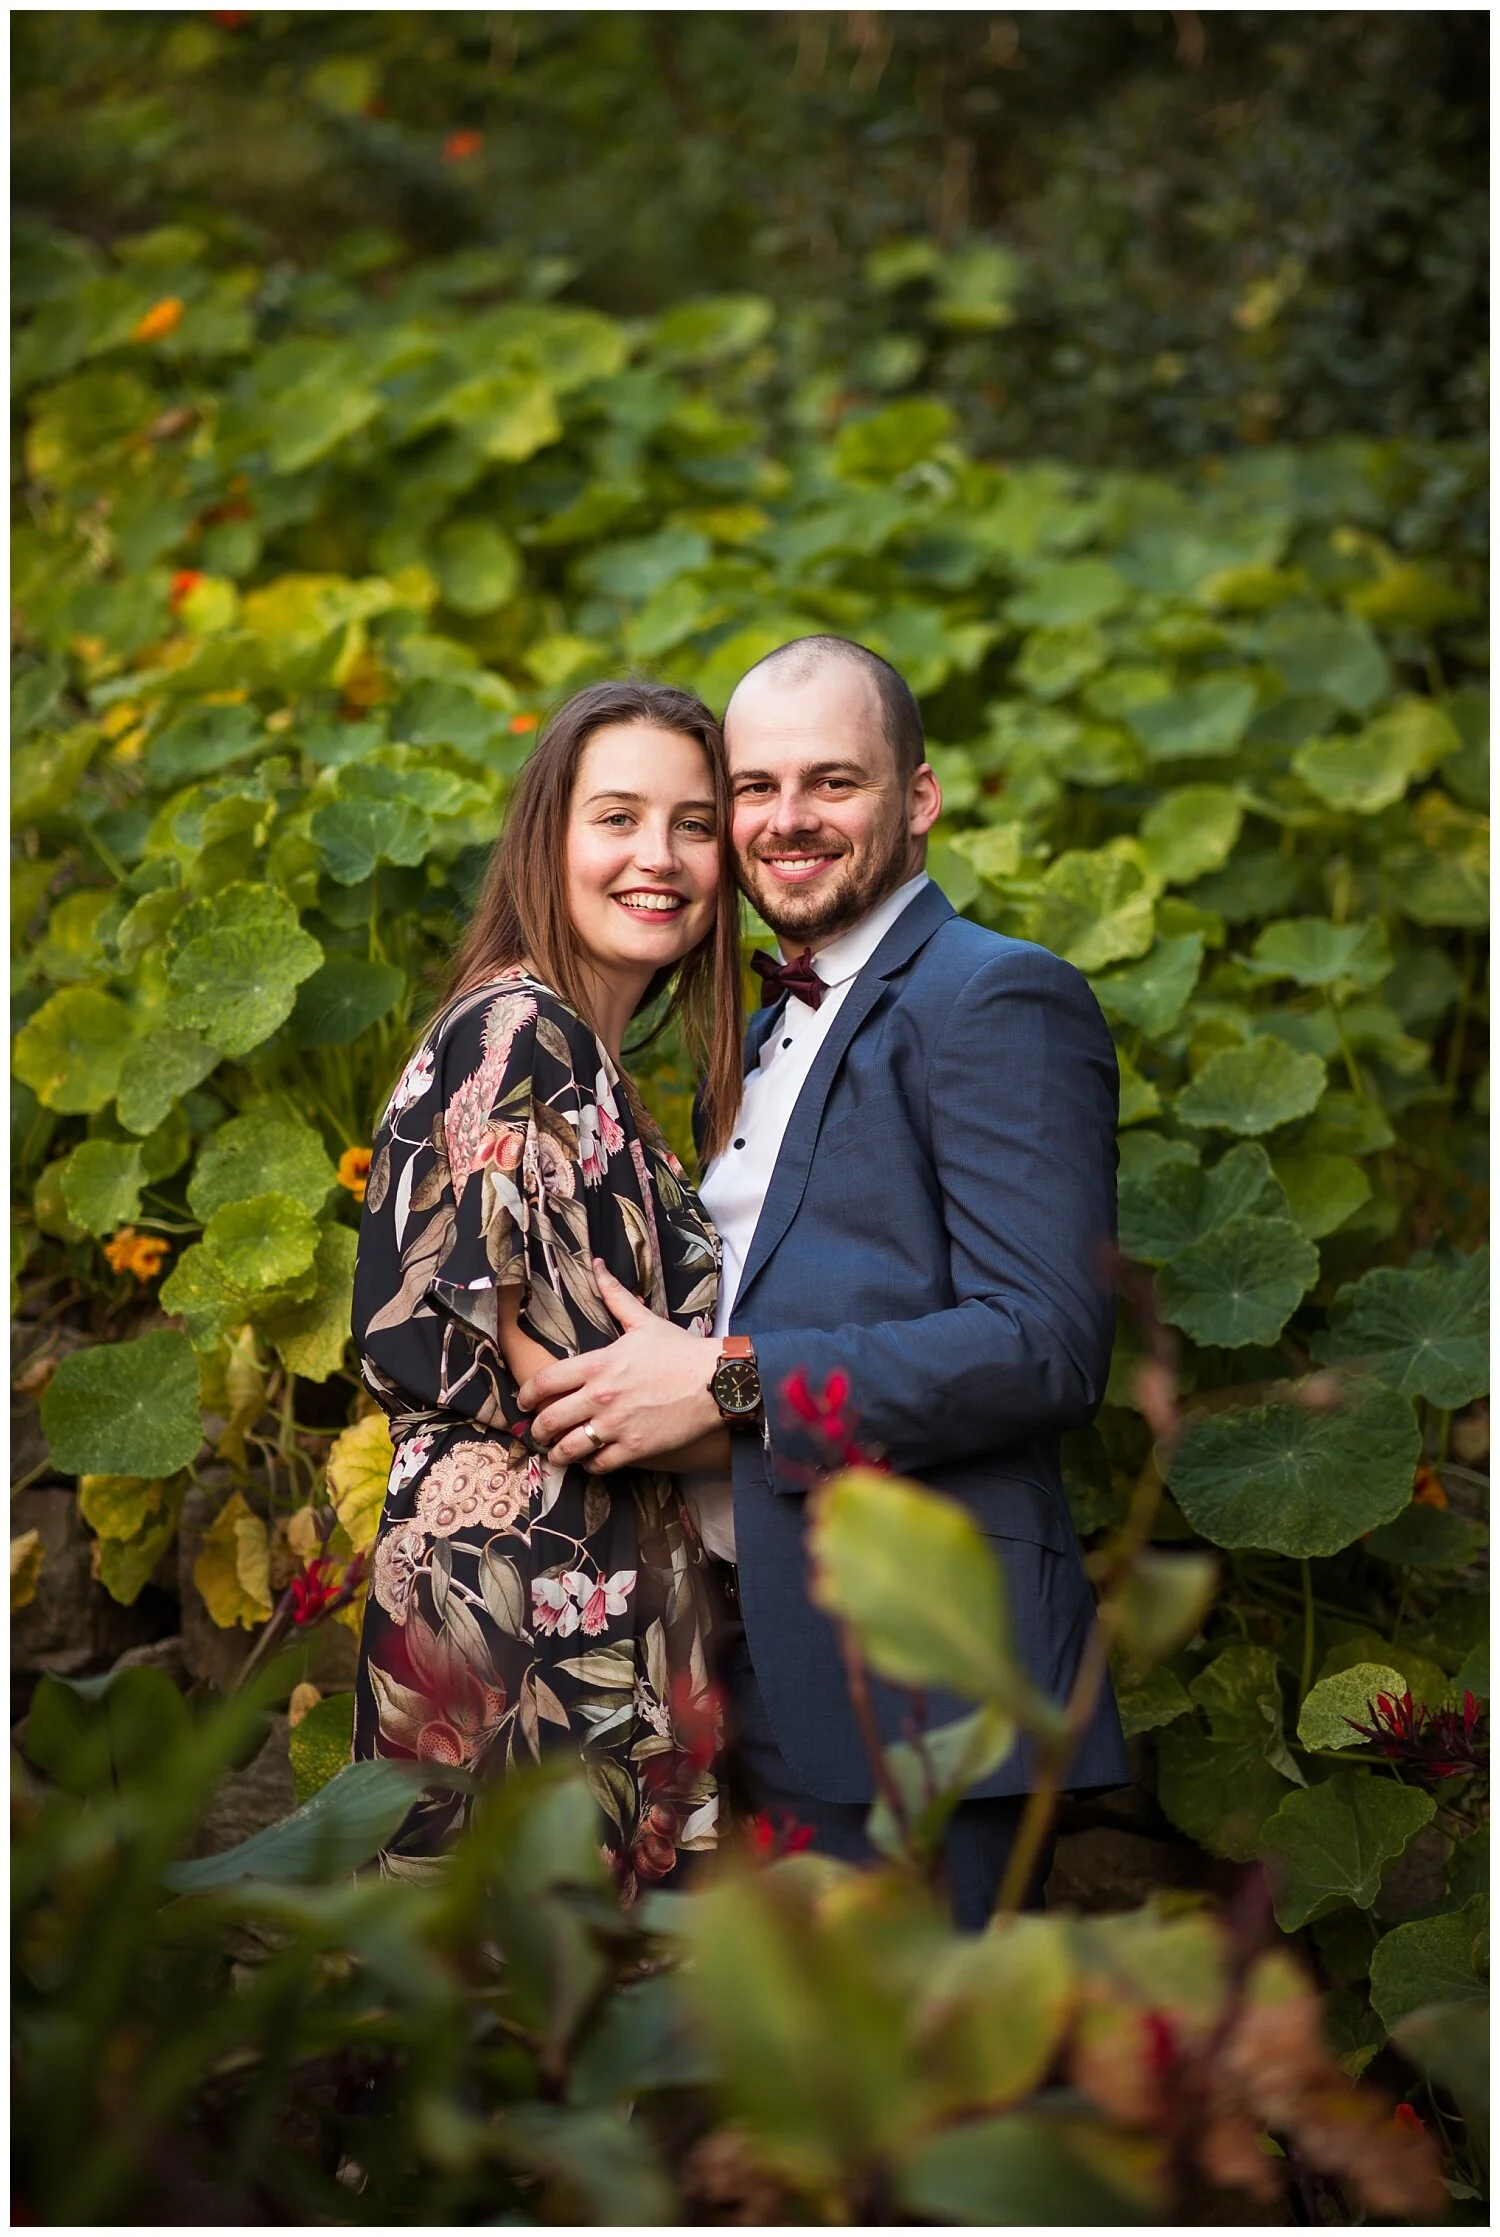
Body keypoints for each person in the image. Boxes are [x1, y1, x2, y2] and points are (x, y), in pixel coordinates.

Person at [517, 635, 1129, 1928]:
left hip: (913, 1678)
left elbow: (1045, 1344)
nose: (787, 821)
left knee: (918, 2103)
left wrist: (732, 1385)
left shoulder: (998, 997)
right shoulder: (751, 1025)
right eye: (755, 787)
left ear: (919, 798)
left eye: (833, 784)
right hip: (742, 1654)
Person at [350, 680, 745, 1892]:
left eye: (693, 823)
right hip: (529, 1609)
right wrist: (751, 1395)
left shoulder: (587, 1056)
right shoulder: (523, 1031)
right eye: (616, 816)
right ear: (548, 839)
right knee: (519, 2023)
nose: (660, 857)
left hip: (585, 1592)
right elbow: (578, 1387)